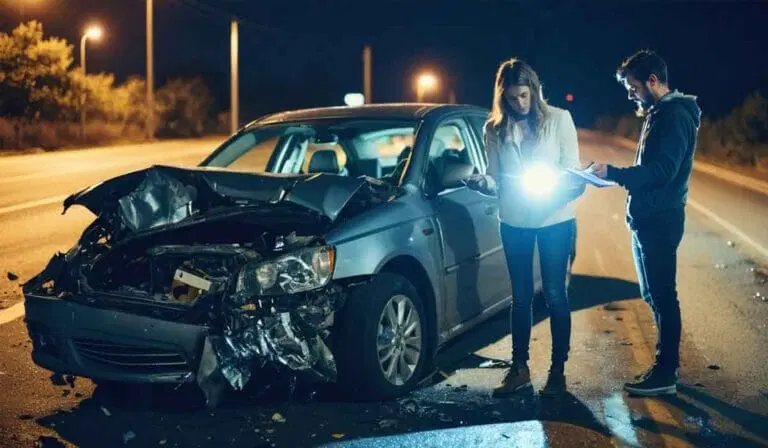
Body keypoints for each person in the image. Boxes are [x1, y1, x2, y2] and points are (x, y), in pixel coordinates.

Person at [466, 58, 586, 397]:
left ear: (534, 91)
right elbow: (494, 175)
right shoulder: (494, 128)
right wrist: (483, 183)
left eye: (523, 96)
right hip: (515, 220)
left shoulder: (560, 120)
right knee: (520, 297)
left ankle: (558, 372)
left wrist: (561, 191)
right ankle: (519, 369)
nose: (519, 104)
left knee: (555, 293)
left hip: (554, 219)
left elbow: (573, 172)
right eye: (511, 98)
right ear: (501, 97)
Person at [589, 50, 701, 396]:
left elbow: (663, 172)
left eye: (632, 86)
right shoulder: (659, 113)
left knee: (664, 296)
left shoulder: (675, 116)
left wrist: (616, 174)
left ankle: (665, 373)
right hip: (647, 218)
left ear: (653, 80)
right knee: (651, 293)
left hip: (660, 220)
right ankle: (664, 367)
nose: (630, 93)